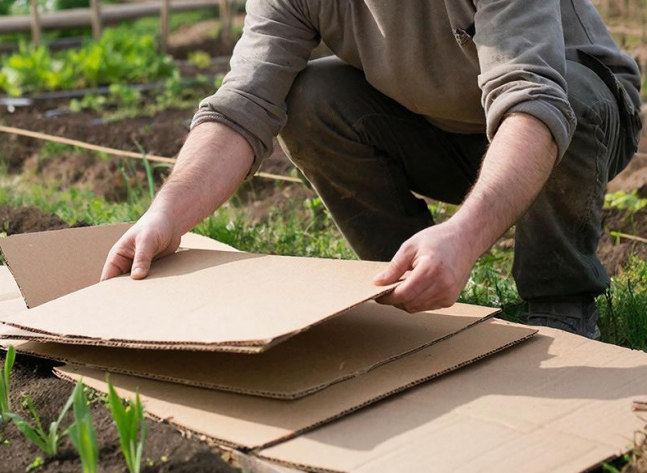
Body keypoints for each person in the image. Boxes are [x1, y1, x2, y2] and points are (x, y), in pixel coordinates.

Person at [100, 1, 642, 339]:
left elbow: (533, 100)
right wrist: (166, 215)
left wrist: (466, 236)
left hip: (569, 126)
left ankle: (559, 302)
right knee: (311, 99)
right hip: (437, 128)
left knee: (570, 94)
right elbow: (244, 105)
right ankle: (406, 286)